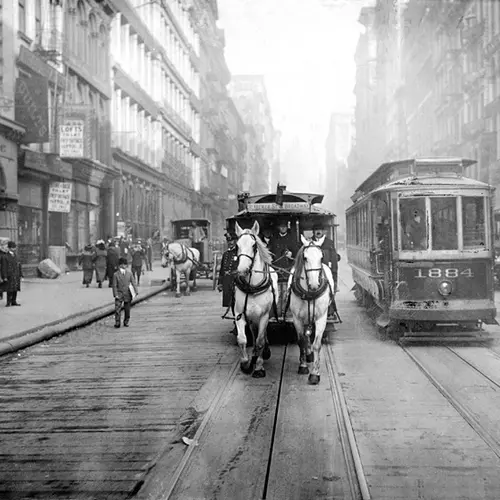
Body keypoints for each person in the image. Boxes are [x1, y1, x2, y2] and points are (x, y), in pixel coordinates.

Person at [217, 232, 239, 334]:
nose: (230, 243)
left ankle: (238, 325)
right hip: (227, 282)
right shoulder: (225, 254)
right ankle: (236, 324)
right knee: (231, 303)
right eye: (228, 241)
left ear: (236, 241)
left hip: (236, 282)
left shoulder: (238, 253)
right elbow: (221, 270)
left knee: (237, 304)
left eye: (232, 241)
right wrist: (220, 283)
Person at [312, 223, 339, 293]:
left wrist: (335, 279)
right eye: (316, 230)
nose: (318, 232)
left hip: (326, 271)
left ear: (323, 231)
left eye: (320, 230)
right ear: (313, 232)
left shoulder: (329, 243)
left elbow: (334, 261)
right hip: (312, 271)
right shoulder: (309, 243)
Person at [112, 257, 138, 328]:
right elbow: (114, 285)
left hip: (127, 294)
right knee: (117, 309)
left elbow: (133, 282)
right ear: (120, 265)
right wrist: (115, 294)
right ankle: (117, 322)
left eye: (126, 264)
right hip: (119, 294)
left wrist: (136, 291)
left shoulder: (129, 273)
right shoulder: (116, 274)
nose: (125, 266)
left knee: (127, 310)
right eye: (123, 264)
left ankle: (126, 321)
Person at [1, 241, 23, 307]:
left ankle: (14, 301)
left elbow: (19, 265)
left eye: (15, 247)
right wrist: (4, 276)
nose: (15, 249)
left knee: (15, 288)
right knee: (9, 289)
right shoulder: (5, 256)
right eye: (13, 247)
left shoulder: (16, 255)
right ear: (10, 248)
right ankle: (8, 302)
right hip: (9, 275)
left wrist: (21, 274)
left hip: (16, 274)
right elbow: (3, 267)